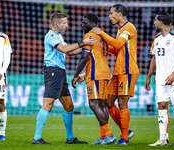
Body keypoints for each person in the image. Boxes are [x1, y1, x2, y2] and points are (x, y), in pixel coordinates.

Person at [32, 12, 96, 145]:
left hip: (60, 73)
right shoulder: (50, 36)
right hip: (53, 72)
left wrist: (88, 47)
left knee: (69, 106)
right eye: (64, 23)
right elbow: (65, 49)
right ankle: (37, 138)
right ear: (56, 24)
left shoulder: (59, 36)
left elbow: (71, 52)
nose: (67, 25)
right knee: (47, 105)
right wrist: (83, 42)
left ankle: (70, 138)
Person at [91, 4, 139, 145]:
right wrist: (102, 46)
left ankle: (124, 138)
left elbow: (118, 45)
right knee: (107, 102)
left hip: (128, 71)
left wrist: (102, 33)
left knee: (122, 103)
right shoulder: (120, 30)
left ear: (119, 13)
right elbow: (117, 49)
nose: (109, 16)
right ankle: (126, 131)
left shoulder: (129, 27)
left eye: (112, 13)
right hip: (118, 71)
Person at [72, 13, 116, 145]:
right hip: (104, 73)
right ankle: (103, 136)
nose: (82, 25)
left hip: (95, 75)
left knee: (93, 104)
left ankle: (109, 135)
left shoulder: (89, 36)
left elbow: (84, 58)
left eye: (84, 23)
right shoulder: (102, 36)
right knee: (102, 105)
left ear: (92, 23)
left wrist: (75, 75)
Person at [145, 11, 174, 146]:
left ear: (161, 22)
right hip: (160, 80)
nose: (154, 23)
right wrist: (149, 76)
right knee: (161, 106)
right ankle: (163, 139)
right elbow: (154, 59)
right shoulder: (157, 39)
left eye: (155, 20)